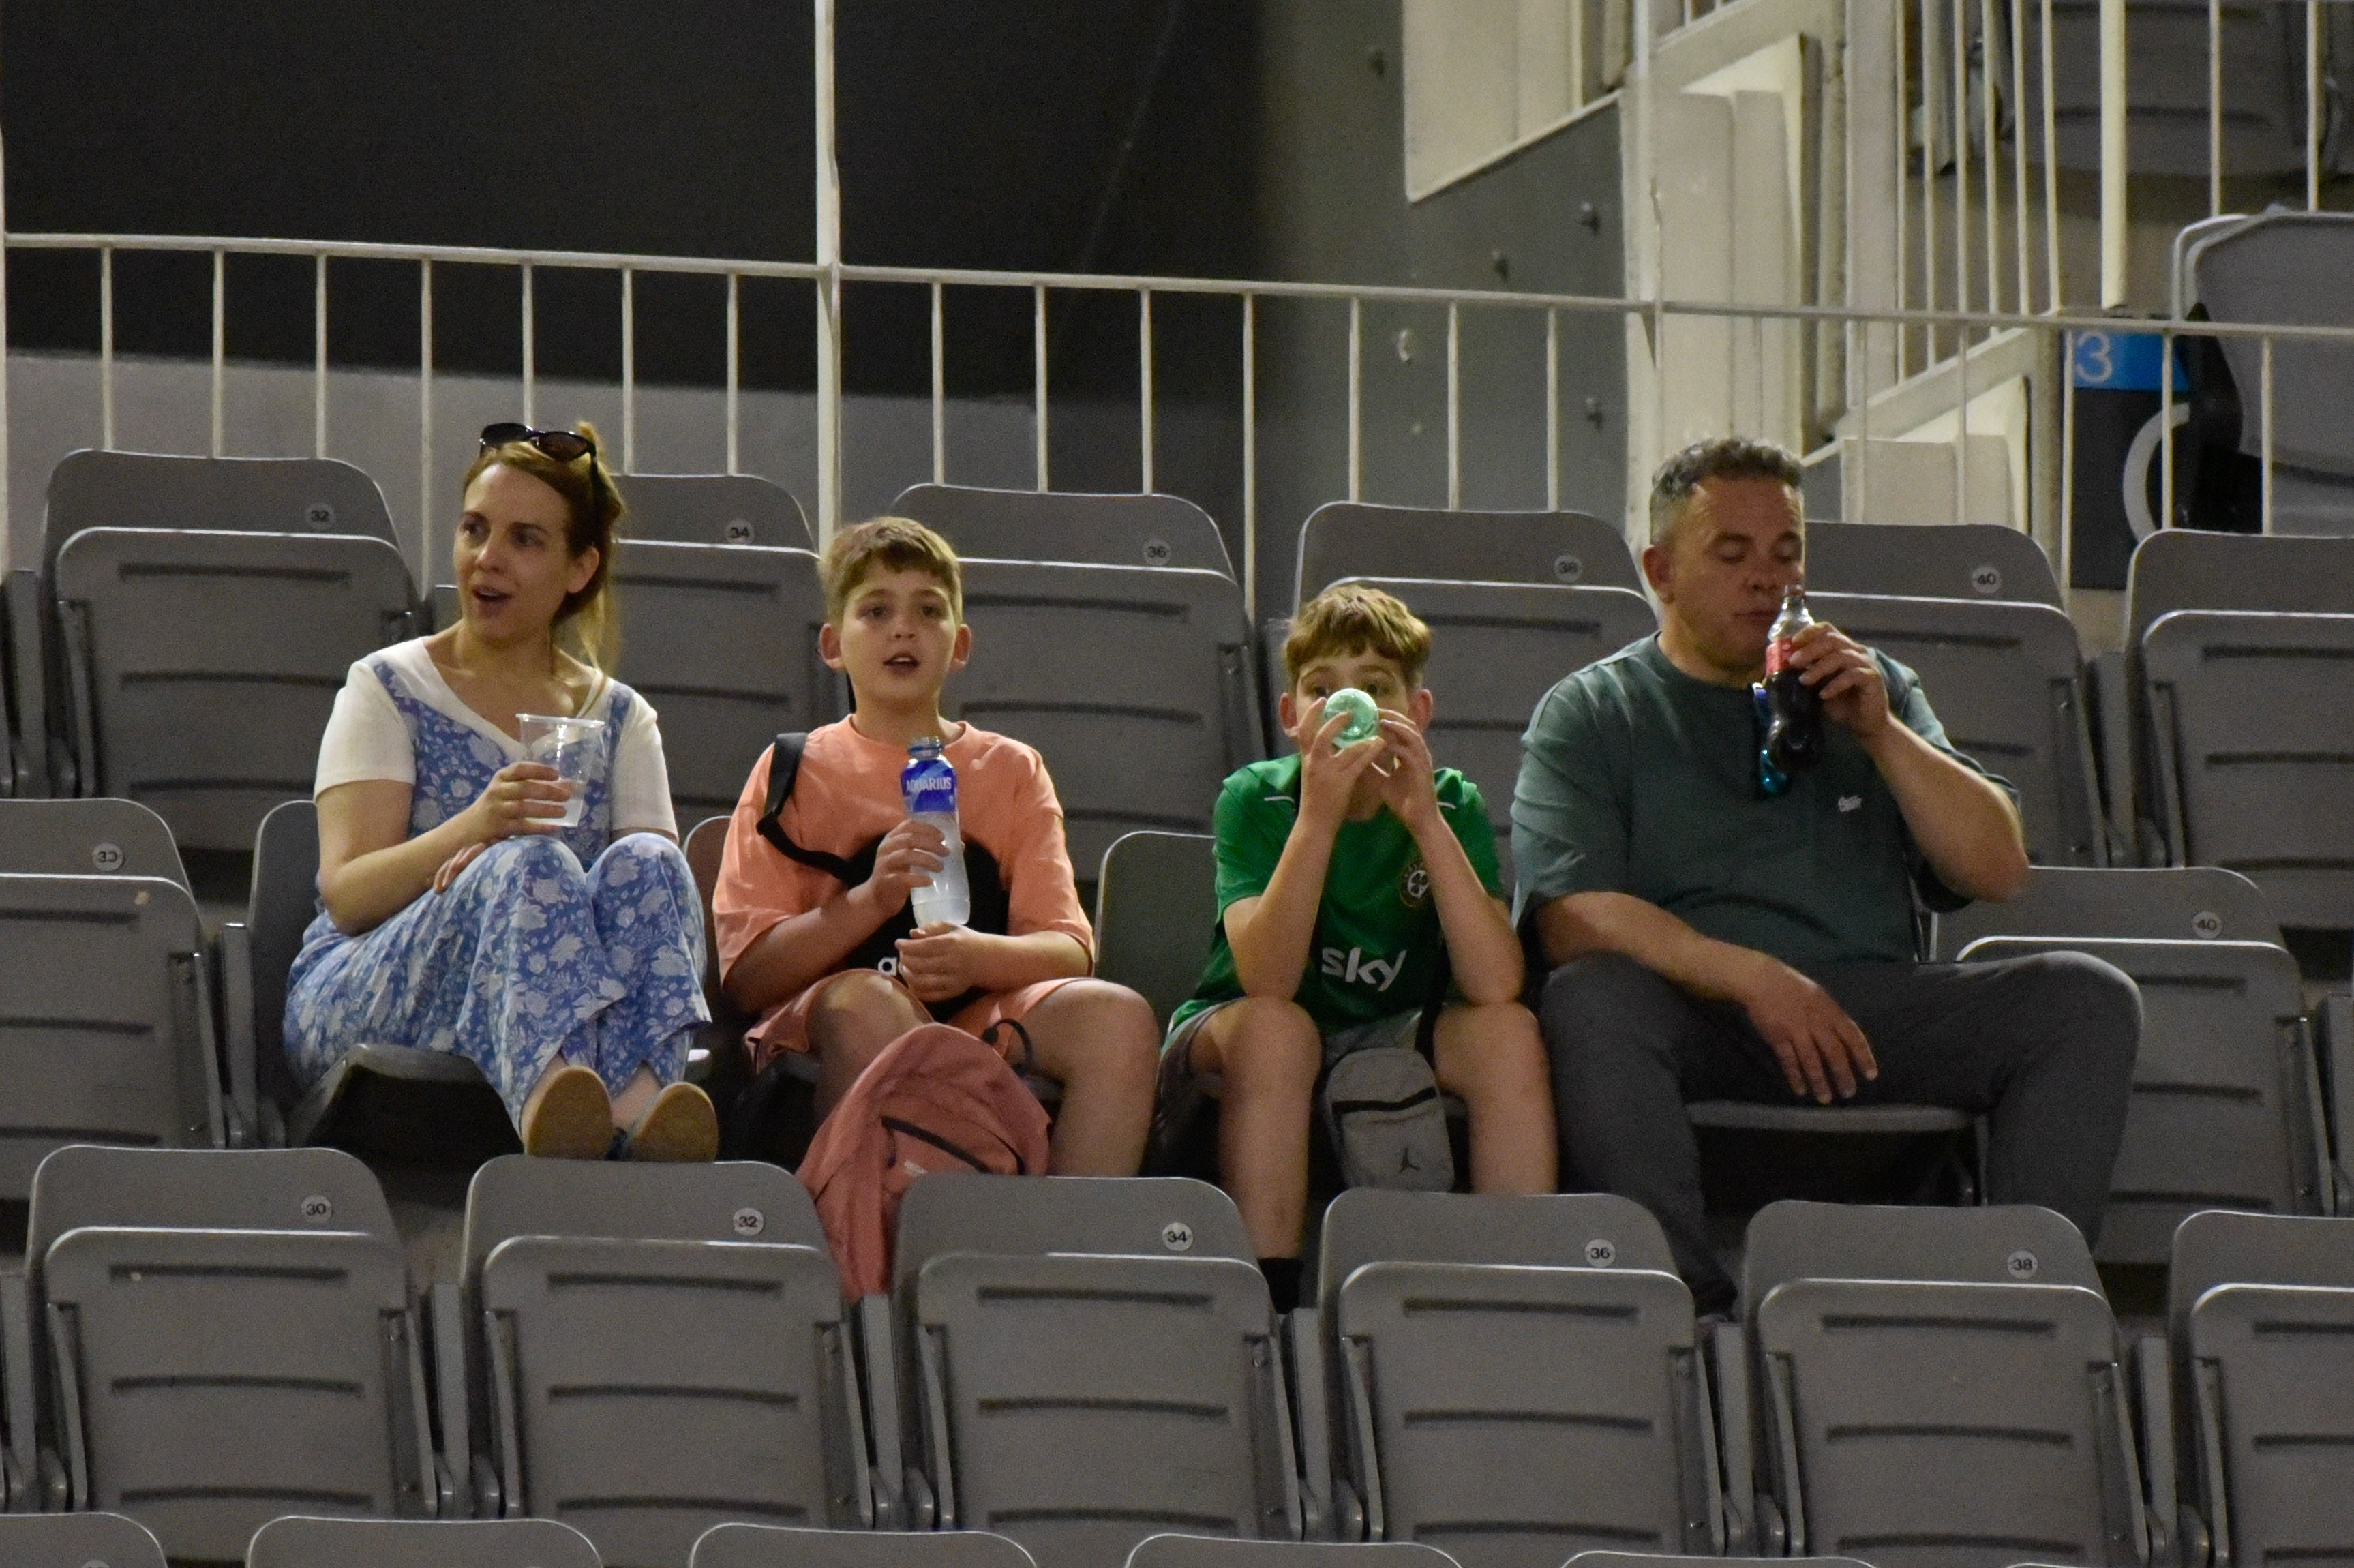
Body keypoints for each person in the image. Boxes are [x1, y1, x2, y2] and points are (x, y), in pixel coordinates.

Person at [1514, 436, 2139, 1311]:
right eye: (1731, 556)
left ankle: (2023, 1292)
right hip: (1704, 1024)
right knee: (1589, 997)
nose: (1766, 579)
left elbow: (1999, 867)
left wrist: (1883, 735)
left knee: (2085, 996)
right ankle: (1679, 1305)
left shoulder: (1871, 687)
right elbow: (1571, 916)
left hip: (1866, 1017)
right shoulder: (1594, 710)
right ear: (1660, 569)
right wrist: (1753, 977)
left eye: (1786, 554)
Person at [287, 422, 717, 1161]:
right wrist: (474, 833)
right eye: (475, 529)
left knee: (652, 860)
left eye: (524, 539)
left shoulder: (623, 717)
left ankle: (639, 1113)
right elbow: (350, 898)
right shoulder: (386, 686)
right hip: (364, 987)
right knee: (527, 863)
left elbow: (653, 918)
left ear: (579, 569)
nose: (487, 558)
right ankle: (557, 1102)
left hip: (588, 1010)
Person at [711, 516, 1159, 1174]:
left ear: (960, 644)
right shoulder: (791, 769)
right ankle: (882, 1230)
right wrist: (867, 903)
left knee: (1117, 1018)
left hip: (977, 1016)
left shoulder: (1012, 769)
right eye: (876, 610)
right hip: (832, 1020)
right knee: (866, 1001)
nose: (903, 628)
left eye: (928, 610)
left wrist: (977, 959)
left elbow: (1067, 949)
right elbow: (747, 979)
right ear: (833, 644)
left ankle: (1066, 1251)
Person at [1165, 584, 1556, 1311]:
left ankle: (1518, 1282)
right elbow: (1269, 981)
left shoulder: (1452, 800)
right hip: (1243, 1023)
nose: (1347, 708)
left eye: (1375, 687)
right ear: (1291, 717)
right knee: (1282, 1032)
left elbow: (1497, 983)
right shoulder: (1258, 797)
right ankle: (1268, 1300)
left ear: (1418, 710)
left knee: (1508, 1031)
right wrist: (1317, 820)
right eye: (1322, 690)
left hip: (1389, 1027)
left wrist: (1426, 822)